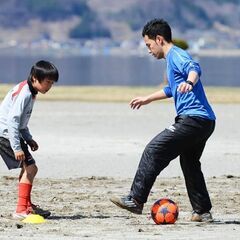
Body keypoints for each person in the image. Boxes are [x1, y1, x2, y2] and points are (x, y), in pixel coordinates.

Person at [110, 19, 216, 222]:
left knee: (154, 149)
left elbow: (194, 68)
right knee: (190, 163)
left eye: (149, 45)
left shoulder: (176, 55)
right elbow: (171, 89)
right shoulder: (171, 60)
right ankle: (202, 211)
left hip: (193, 119)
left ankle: (136, 199)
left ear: (159, 39)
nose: (149, 50)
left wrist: (189, 81)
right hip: (205, 121)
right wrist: (147, 98)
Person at [0, 60, 59, 219]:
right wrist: (17, 147)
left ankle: (26, 205)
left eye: (52, 83)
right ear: (34, 78)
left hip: (12, 133)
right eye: (47, 82)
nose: (49, 86)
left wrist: (28, 139)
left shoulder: (30, 92)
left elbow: (21, 123)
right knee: (31, 169)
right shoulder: (25, 93)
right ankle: (20, 209)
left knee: (28, 168)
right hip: (5, 134)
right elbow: (12, 121)